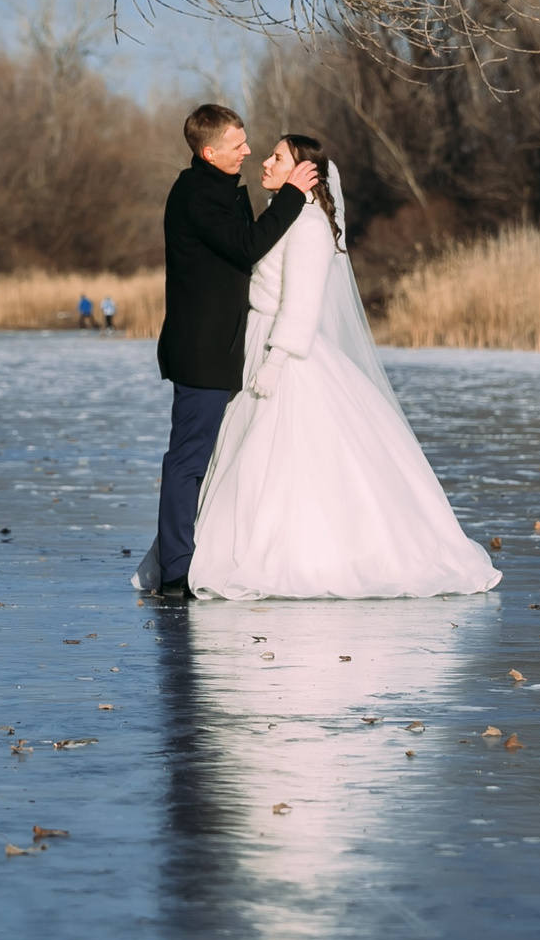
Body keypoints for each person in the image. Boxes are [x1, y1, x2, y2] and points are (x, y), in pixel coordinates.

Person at [157, 134, 500, 601]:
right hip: (253, 346)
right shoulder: (281, 213)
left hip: (283, 355)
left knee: (283, 456)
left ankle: (288, 556)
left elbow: (302, 306)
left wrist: (276, 361)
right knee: (239, 455)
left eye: (277, 157)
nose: (264, 161)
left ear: (303, 171)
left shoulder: (309, 225)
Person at [140, 103, 317, 598]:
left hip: (221, 348)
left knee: (204, 459)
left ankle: (195, 555)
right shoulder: (198, 195)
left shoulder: (215, 188)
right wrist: (292, 195)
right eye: (237, 144)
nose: (248, 150)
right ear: (209, 151)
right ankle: (176, 570)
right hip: (203, 351)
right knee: (188, 459)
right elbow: (246, 246)